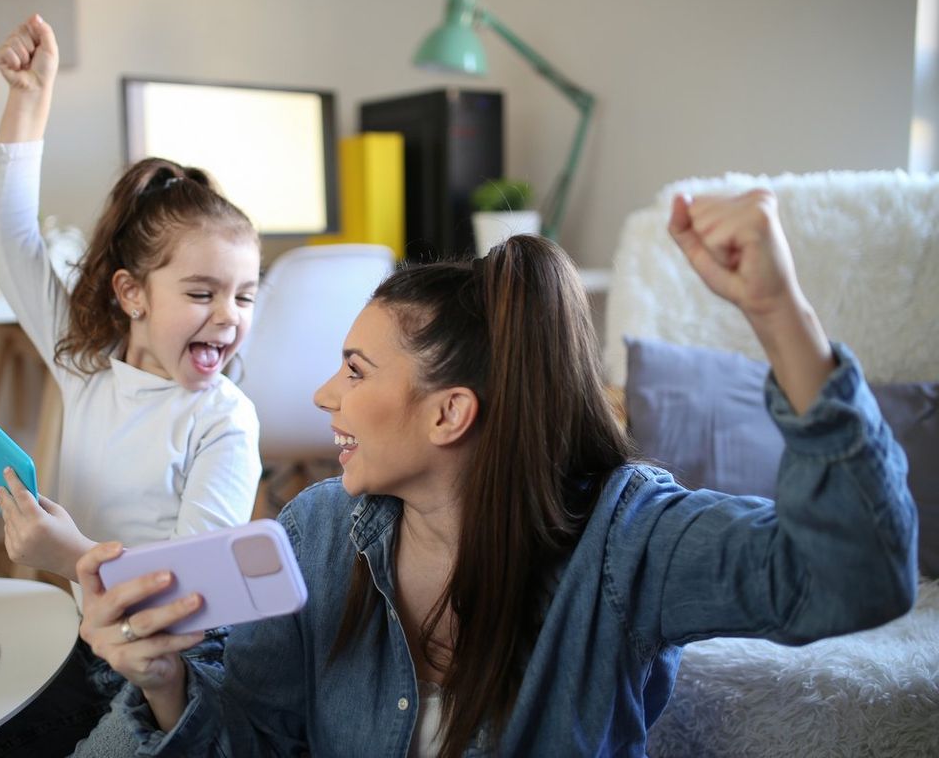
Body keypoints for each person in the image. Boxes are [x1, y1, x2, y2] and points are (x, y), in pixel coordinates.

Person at [71, 190, 918, 757]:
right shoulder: (319, 531)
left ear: (450, 414)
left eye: (357, 371)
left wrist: (779, 314)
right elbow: (249, 739)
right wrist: (164, 680)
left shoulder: (624, 542)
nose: (326, 394)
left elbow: (856, 578)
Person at [0, 14, 263, 757]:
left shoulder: (225, 421)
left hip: (170, 670)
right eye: (202, 294)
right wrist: (30, 98)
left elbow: (199, 595)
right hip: (86, 641)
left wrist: (68, 556)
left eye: (245, 297)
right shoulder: (87, 363)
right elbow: (7, 234)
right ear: (132, 294)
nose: (227, 318)